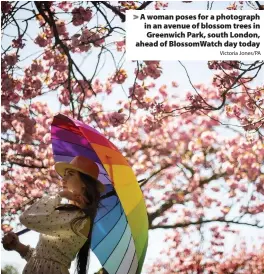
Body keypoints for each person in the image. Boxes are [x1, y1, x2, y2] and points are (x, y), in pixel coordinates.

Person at [2, 156, 105, 274]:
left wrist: (60, 195)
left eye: (70, 174)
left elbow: (26, 218)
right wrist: (18, 246)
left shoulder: (79, 219)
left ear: (84, 184)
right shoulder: (69, 213)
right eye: (64, 174)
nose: (63, 179)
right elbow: (41, 257)